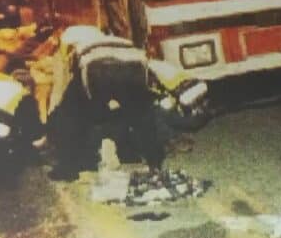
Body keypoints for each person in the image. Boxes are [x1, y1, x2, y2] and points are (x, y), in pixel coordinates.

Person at [47, 26, 208, 180]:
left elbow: (65, 64)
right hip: (135, 65)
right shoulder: (117, 40)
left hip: (97, 67)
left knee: (70, 112)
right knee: (141, 114)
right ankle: (154, 163)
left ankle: (68, 168)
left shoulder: (71, 37)